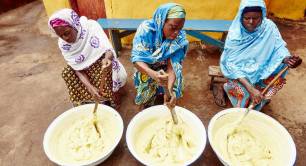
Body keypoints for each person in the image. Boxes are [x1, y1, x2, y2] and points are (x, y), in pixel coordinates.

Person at [216, 0, 302, 110]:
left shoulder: (269, 27)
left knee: (266, 91)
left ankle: (258, 100)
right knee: (244, 98)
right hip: (240, 74)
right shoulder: (235, 34)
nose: (251, 22)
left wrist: (287, 59)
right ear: (241, 17)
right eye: (247, 18)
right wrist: (251, 89)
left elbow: (279, 48)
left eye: (256, 18)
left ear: (262, 16)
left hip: (261, 68)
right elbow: (231, 65)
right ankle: (225, 88)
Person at [48, 8, 127, 108]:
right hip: (83, 70)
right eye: (60, 36)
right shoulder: (63, 44)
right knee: (67, 73)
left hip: (101, 62)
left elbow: (108, 50)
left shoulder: (91, 27)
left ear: (74, 25)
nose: (65, 38)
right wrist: (90, 88)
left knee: (104, 70)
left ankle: (112, 97)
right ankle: (89, 99)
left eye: (67, 33)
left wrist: (107, 59)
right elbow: (76, 68)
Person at [131, 3, 188, 110]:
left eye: (180, 29)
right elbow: (137, 59)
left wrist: (169, 89)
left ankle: (167, 96)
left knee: (175, 83)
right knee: (144, 82)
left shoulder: (180, 37)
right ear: (162, 21)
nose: (176, 33)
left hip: (166, 68)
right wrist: (153, 74)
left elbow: (173, 67)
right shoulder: (146, 30)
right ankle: (147, 100)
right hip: (146, 68)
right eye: (173, 28)